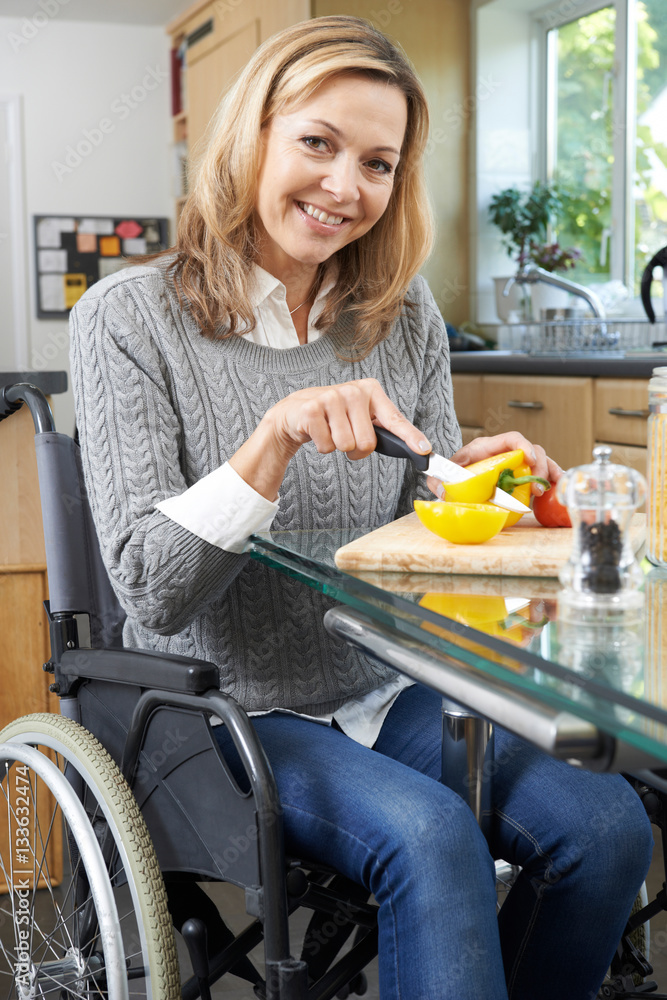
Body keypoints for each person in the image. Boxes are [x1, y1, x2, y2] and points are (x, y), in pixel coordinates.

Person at [69, 16, 652, 1000]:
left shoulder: (399, 310)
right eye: (317, 143)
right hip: (217, 706)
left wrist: (482, 481)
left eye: (377, 163)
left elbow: (421, 490)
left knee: (607, 826)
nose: (346, 187)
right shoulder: (128, 318)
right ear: (252, 135)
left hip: (384, 681)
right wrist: (273, 436)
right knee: (430, 838)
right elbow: (151, 593)